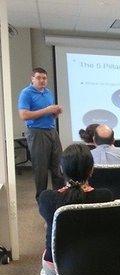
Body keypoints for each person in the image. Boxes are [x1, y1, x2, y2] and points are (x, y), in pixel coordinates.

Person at [38, 144, 113, 275]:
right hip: (100, 264)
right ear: (92, 170)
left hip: (58, 267)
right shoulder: (105, 196)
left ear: (61, 169)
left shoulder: (47, 198)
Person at [18, 67, 64, 200]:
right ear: (32, 79)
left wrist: (55, 112)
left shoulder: (48, 92)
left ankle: (59, 196)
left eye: (44, 78)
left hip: (52, 130)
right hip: (37, 132)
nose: (42, 80)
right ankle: (42, 199)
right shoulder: (26, 93)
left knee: (58, 166)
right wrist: (47, 110)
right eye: (38, 78)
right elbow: (24, 115)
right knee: (41, 169)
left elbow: (49, 113)